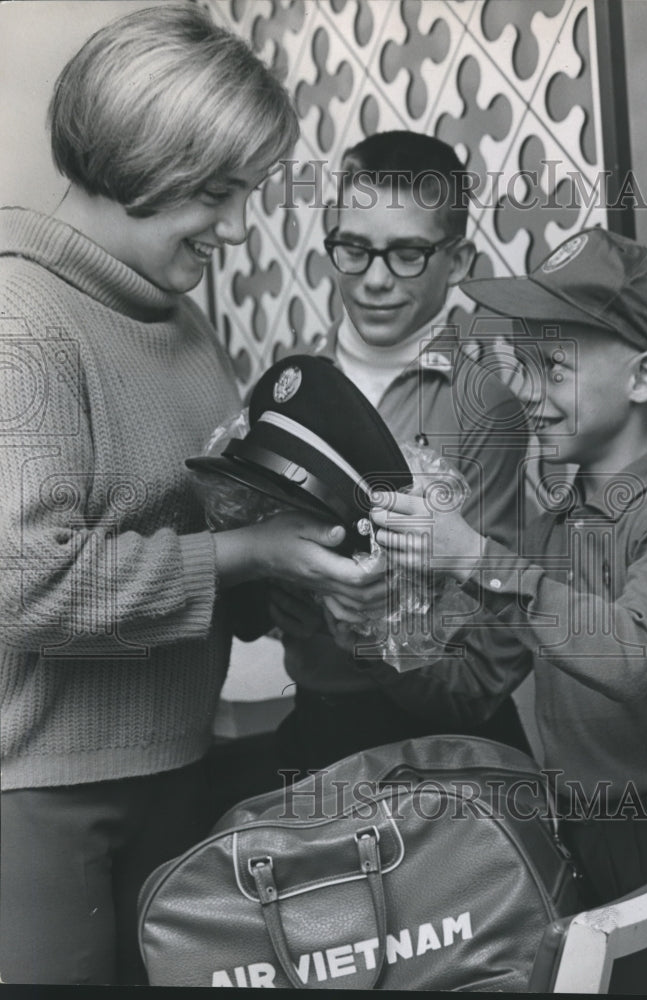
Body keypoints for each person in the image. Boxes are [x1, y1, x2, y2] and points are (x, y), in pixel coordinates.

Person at [0, 5, 383, 986]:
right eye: (215, 192)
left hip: (178, 761)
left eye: (246, 190)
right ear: (134, 158)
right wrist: (252, 555)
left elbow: (199, 554)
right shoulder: (22, 321)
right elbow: (26, 585)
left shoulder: (179, 321)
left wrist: (302, 577)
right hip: (43, 801)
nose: (238, 226)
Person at [371, 227, 647, 905]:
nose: (527, 389)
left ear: (643, 377)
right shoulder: (553, 522)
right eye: (523, 366)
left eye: (555, 368)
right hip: (570, 819)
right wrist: (380, 595)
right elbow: (480, 672)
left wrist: (476, 555)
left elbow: (629, 657)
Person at [222, 132, 531, 799]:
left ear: (458, 260)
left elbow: (486, 660)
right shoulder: (291, 388)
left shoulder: (485, 407)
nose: (375, 278)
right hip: (316, 733)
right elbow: (247, 612)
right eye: (354, 248)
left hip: (444, 759)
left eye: (408, 253)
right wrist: (266, 569)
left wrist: (364, 620)